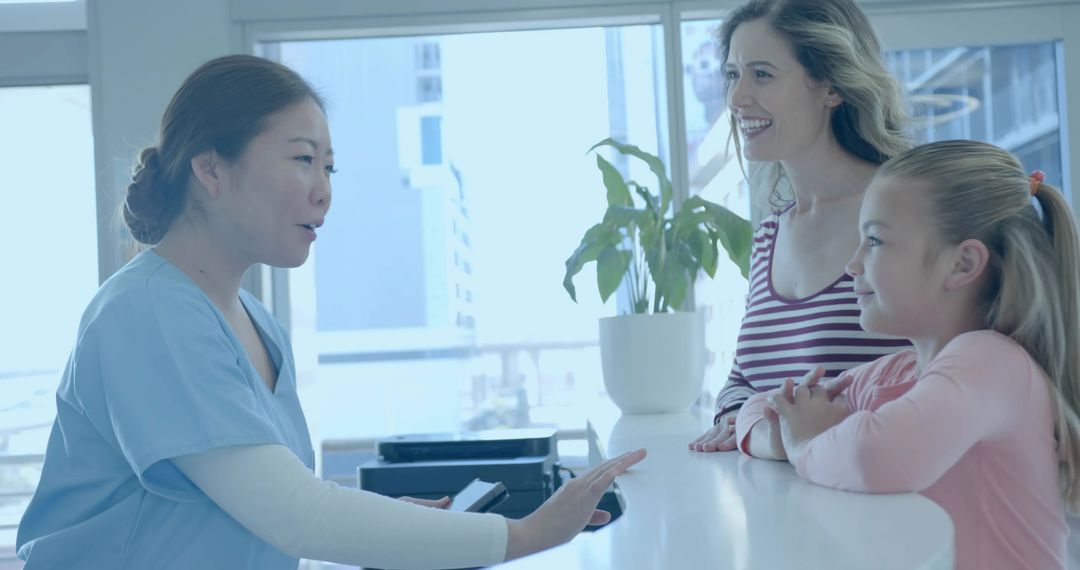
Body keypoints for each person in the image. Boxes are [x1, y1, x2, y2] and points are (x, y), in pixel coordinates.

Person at [15, 54, 646, 570]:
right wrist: (527, 535)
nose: (325, 189)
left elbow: (259, 509)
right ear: (210, 167)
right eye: (302, 159)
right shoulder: (148, 312)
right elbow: (296, 513)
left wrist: (399, 525)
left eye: (330, 166)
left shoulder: (252, 321)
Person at [757, 140, 1077, 569]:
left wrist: (804, 440)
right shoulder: (895, 372)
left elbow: (875, 457)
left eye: (874, 240)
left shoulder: (993, 363)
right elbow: (763, 407)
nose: (852, 265)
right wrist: (788, 430)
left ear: (962, 265)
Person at [689, 0, 910, 454]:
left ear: (829, 86)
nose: (736, 98)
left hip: (888, 511)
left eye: (762, 75)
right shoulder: (770, 234)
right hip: (789, 510)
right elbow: (742, 379)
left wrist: (765, 427)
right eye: (733, 74)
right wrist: (735, 415)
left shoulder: (905, 213)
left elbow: (952, 373)